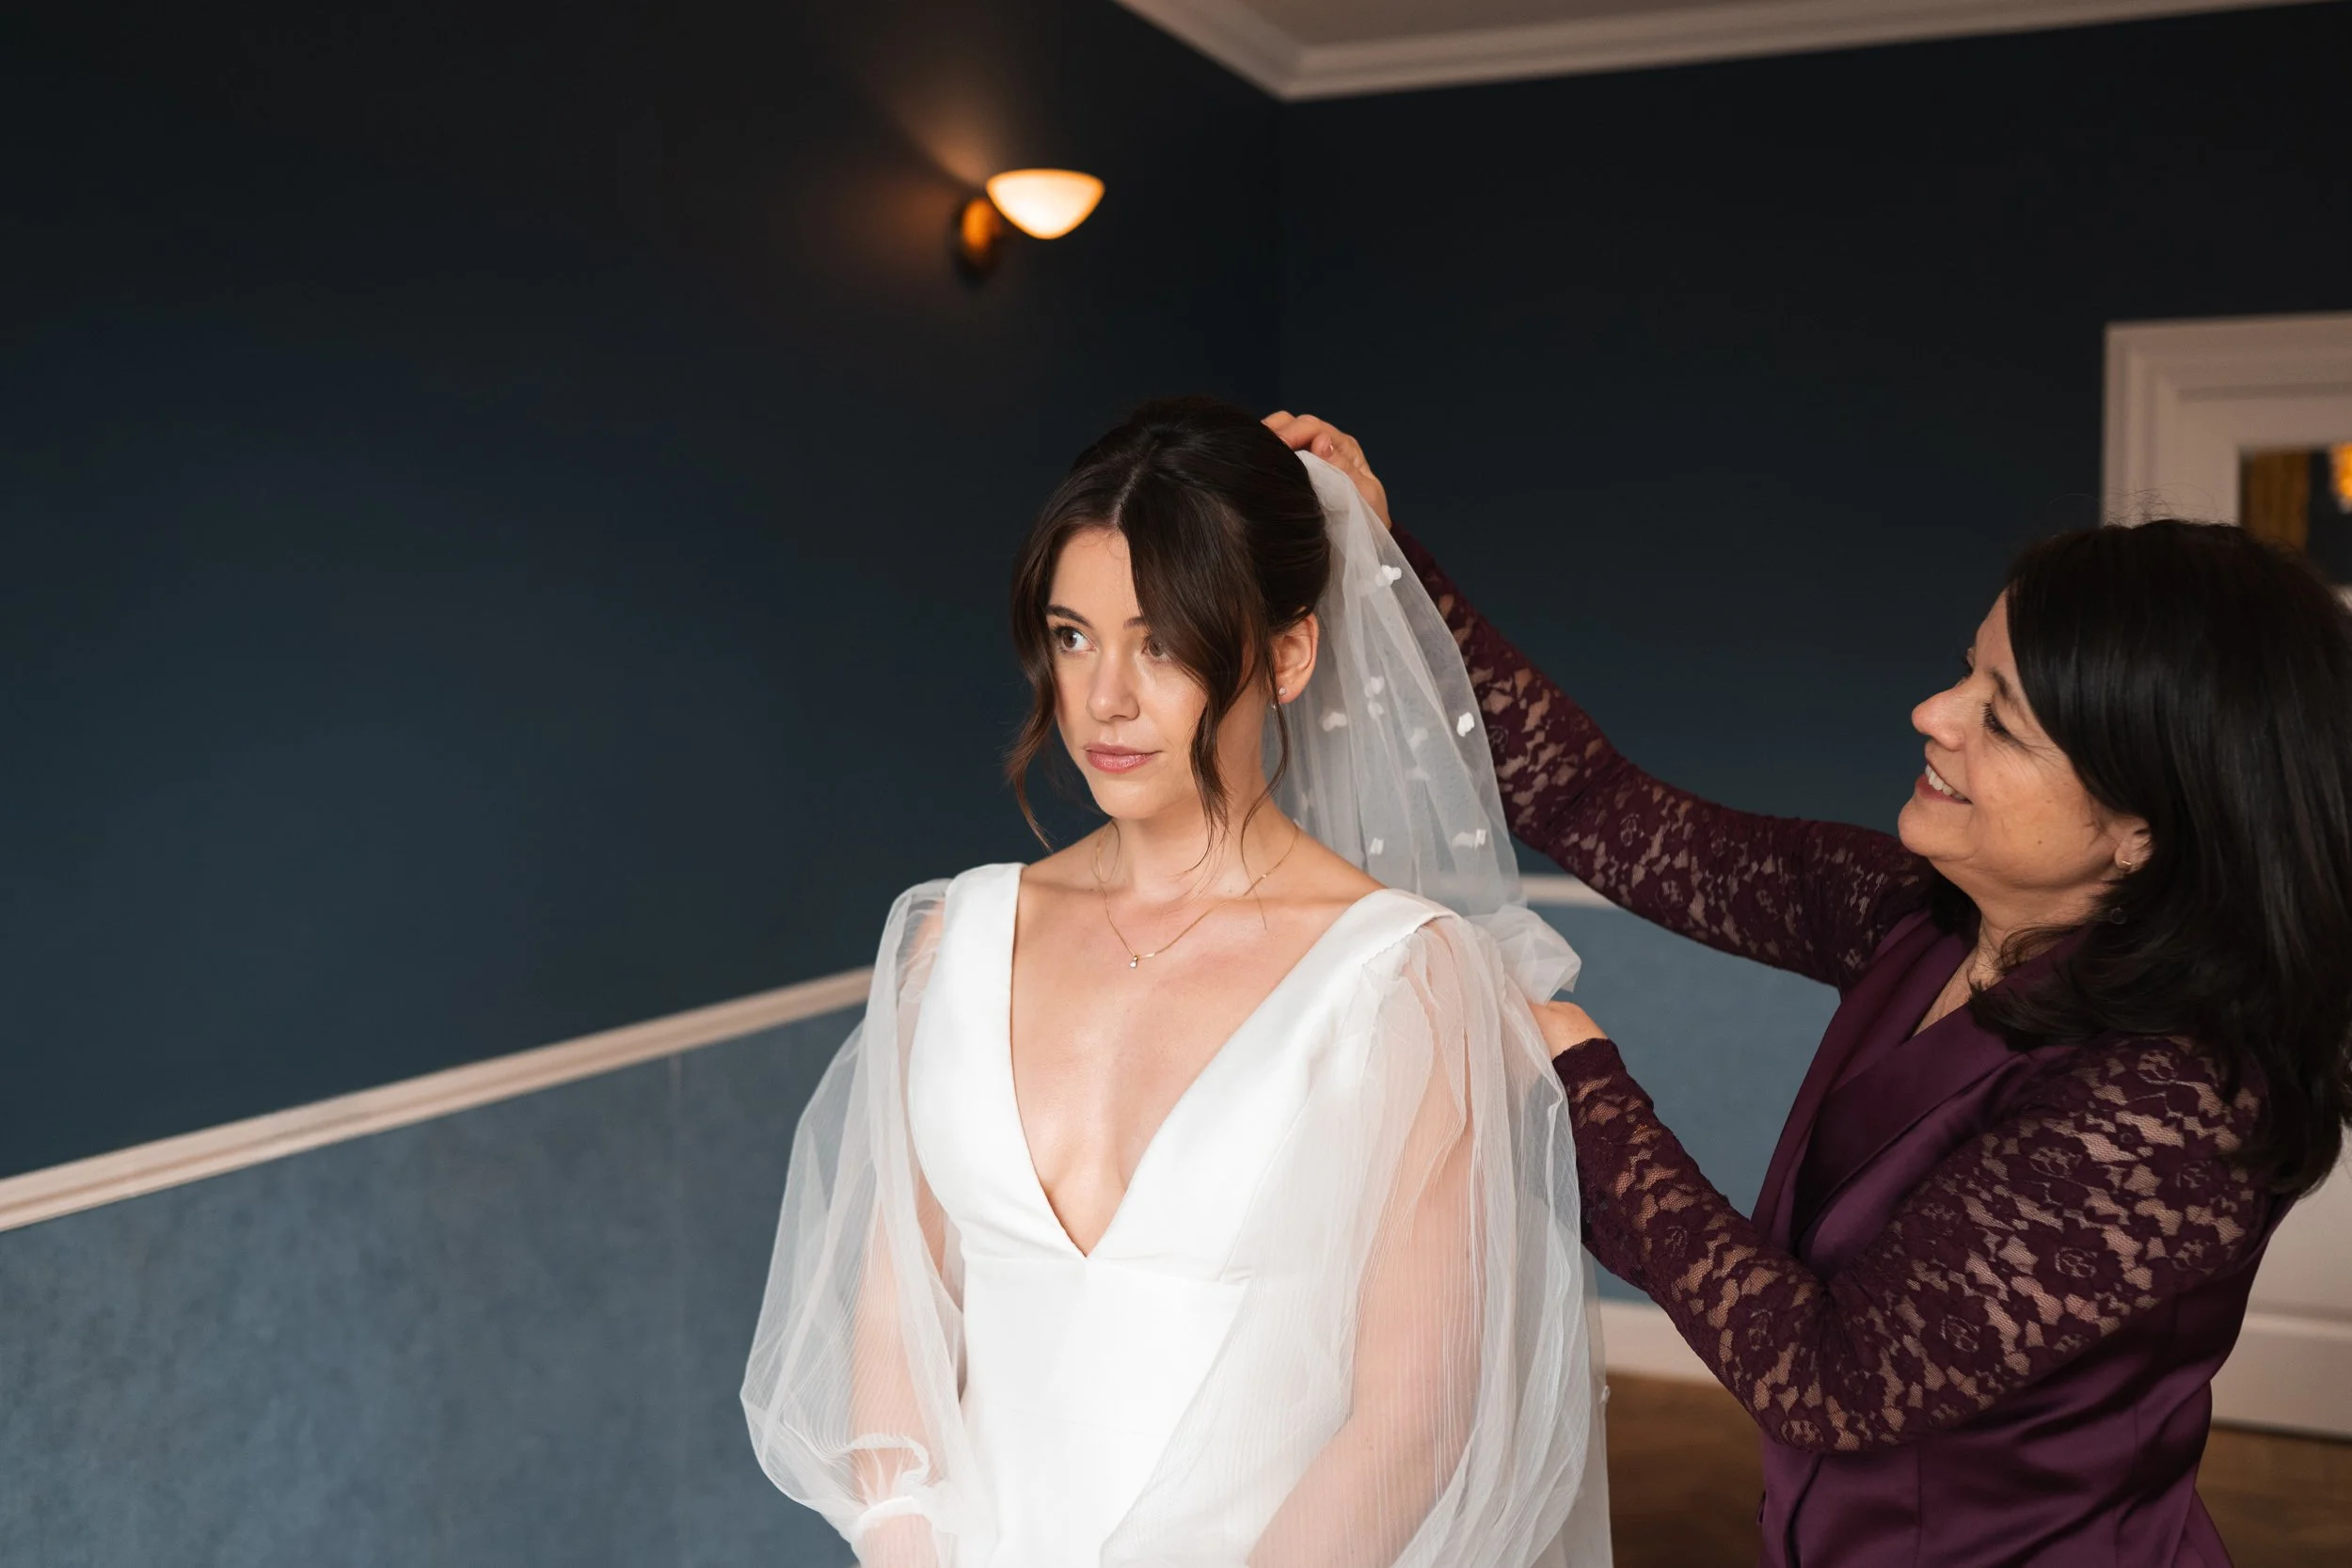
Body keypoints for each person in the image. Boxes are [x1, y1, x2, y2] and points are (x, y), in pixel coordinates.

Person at [1264, 412, 2352, 1567]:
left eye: (2003, 720)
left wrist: (1585, 1089)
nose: (1933, 714)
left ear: (2142, 830)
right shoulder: (1923, 917)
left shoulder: (2177, 1107)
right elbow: (1600, 807)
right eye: (1966, 670)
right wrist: (1381, 563)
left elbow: (1830, 1379)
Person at [742, 398, 1609, 1568]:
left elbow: (1412, 1420)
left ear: (1287, 653)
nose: (1104, 696)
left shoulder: (1405, 977)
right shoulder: (956, 938)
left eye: (1160, 642)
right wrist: (908, 1548)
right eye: (1072, 634)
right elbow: (896, 1320)